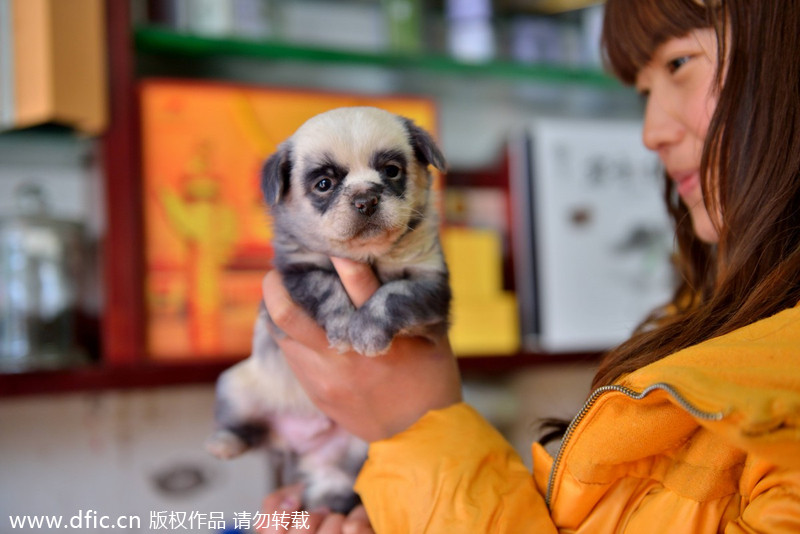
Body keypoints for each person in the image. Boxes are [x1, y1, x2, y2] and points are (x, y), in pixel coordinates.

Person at [258, 0, 800, 531]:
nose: (651, 131)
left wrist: (415, 430)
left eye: (679, 63)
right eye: (642, 92)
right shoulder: (712, 322)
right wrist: (409, 505)